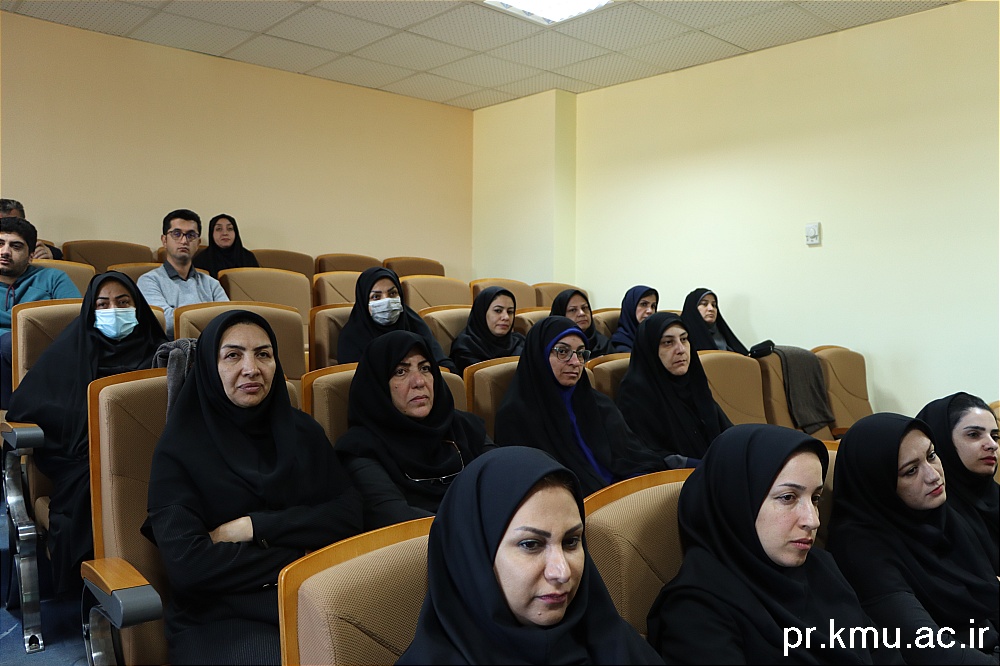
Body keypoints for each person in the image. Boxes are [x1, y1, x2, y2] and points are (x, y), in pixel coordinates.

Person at [142, 310, 363, 665]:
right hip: (220, 617)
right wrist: (303, 553)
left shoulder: (303, 432)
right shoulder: (178, 450)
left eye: (263, 354)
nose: (252, 368)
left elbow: (349, 516)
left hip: (313, 596)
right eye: (233, 355)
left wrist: (254, 527)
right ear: (210, 367)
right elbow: (190, 567)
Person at [647, 424, 897, 664]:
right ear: (737, 501)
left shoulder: (820, 568)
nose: (813, 520)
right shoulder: (696, 611)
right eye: (788, 497)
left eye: (815, 498)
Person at [398, 446, 664, 665]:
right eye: (531, 545)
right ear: (474, 558)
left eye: (571, 542)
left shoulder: (612, 641)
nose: (562, 572)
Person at [6, 271, 167, 596]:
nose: (114, 311)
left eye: (123, 302)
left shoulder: (162, 353)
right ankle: (99, 591)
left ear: (138, 307)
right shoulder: (69, 352)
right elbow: (25, 407)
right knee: (88, 494)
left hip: (156, 458)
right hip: (86, 461)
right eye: (103, 304)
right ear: (91, 310)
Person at [827, 413, 999, 665]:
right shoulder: (859, 546)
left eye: (931, 455)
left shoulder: (941, 515)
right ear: (879, 484)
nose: (933, 475)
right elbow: (930, 651)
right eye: (910, 471)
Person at [337, 330, 493, 530]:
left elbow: (505, 477)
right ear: (379, 384)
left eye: (425, 368)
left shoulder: (463, 426)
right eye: (400, 372)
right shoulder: (360, 448)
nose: (419, 382)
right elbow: (395, 517)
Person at [494, 316, 666, 496]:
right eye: (563, 351)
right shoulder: (515, 416)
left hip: (624, 495)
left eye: (581, 353)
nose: (575, 362)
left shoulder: (598, 403)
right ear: (540, 355)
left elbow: (634, 456)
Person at [617, 313, 732, 469]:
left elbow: (726, 433)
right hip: (678, 478)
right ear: (650, 349)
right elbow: (650, 455)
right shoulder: (635, 392)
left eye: (684, 339)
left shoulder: (694, 381)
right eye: (668, 342)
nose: (681, 349)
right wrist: (708, 468)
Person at [0, 216, 81, 407]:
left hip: (42, 350)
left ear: (31, 256)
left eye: (16, 246)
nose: (5, 252)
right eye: (0, 244)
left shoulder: (53, 278)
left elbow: (76, 319)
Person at [916, 393, 999, 572]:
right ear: (941, 440)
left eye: (995, 436)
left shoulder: (994, 496)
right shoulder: (933, 515)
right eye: (974, 435)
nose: (992, 445)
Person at [337, 266, 456, 372]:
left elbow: (441, 362)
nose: (387, 301)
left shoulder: (414, 323)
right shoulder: (351, 337)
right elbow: (357, 381)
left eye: (392, 293)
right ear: (364, 302)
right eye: (376, 296)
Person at [137, 209, 228, 337]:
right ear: (164, 240)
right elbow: (165, 323)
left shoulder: (212, 284)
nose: (184, 241)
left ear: (198, 243)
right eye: (177, 234)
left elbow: (227, 320)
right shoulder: (149, 281)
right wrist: (209, 319)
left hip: (211, 347)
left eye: (191, 235)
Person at [449, 286, 525, 373]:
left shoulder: (519, 342)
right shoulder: (465, 347)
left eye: (510, 312)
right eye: (498, 311)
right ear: (482, 313)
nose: (506, 317)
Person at [680, 287, 749, 354]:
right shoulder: (683, 336)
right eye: (704, 304)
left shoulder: (722, 332)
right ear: (692, 308)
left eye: (714, 305)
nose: (711, 308)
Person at [549, 288, 614, 358]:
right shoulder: (552, 347)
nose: (582, 313)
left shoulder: (602, 342)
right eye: (573, 310)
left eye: (584, 308)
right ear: (560, 316)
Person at [193, 213, 260, 278]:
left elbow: (256, 282)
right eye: (219, 229)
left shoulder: (248, 257)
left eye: (229, 229)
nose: (225, 233)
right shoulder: (200, 260)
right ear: (211, 233)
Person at [609, 285, 657, 353]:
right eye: (644, 304)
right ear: (631, 308)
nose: (650, 311)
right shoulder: (620, 343)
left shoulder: (655, 335)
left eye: (653, 306)